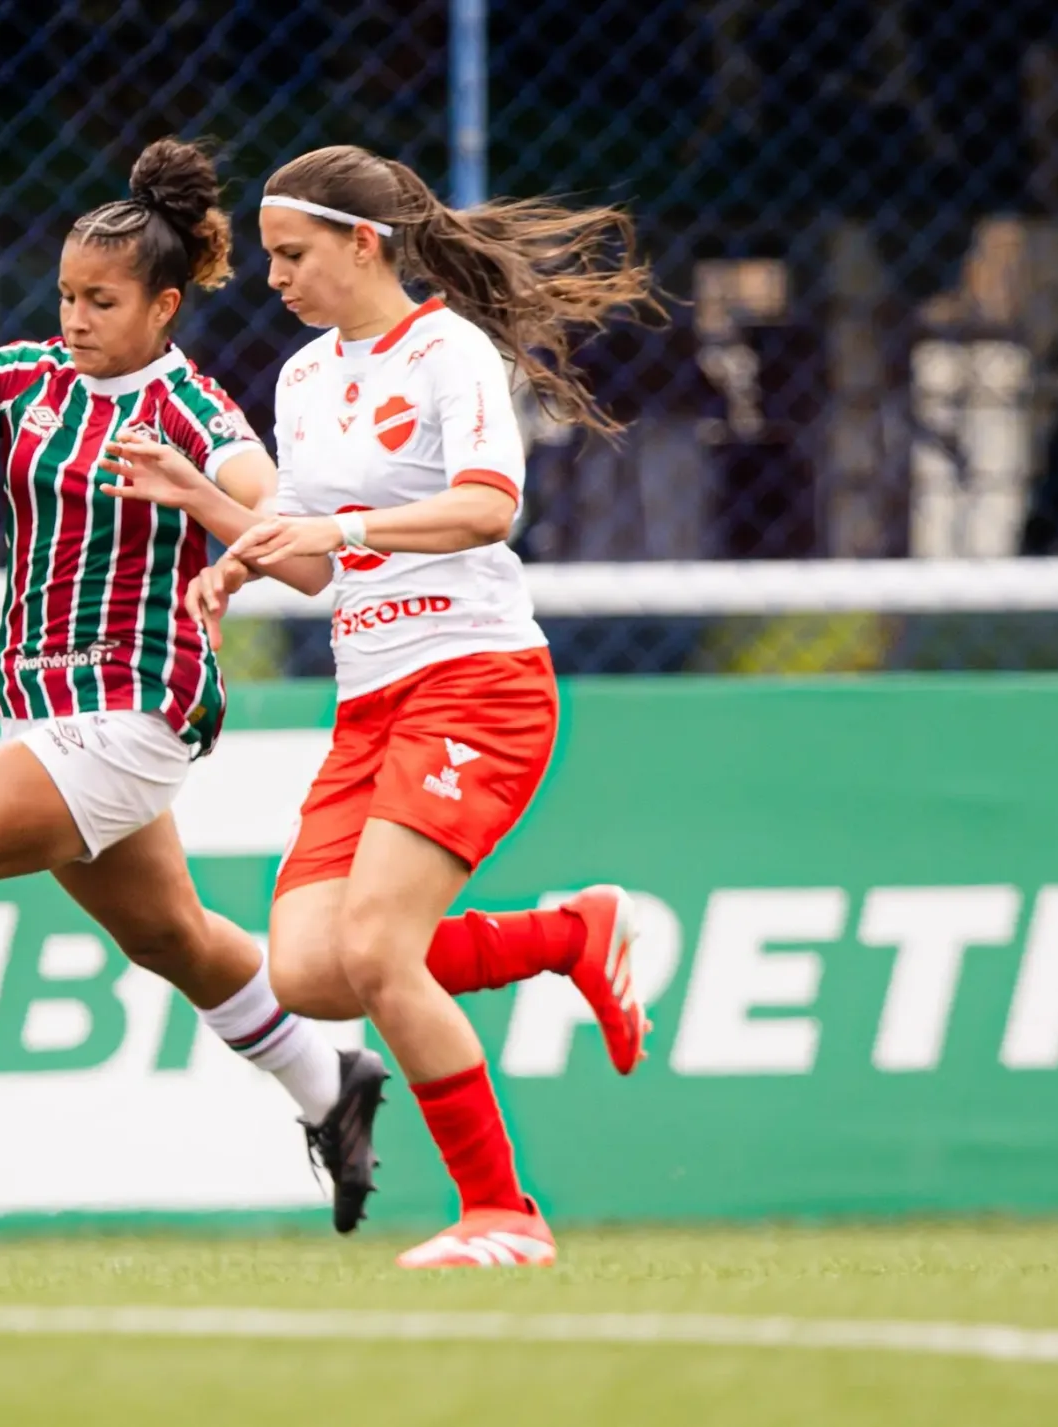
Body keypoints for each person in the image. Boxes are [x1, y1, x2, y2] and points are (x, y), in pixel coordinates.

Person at [0, 139, 391, 1228]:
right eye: (65, 293)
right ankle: (329, 1086)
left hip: (135, 712)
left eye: (100, 300)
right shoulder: (22, 378)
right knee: (173, 939)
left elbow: (304, 561)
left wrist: (196, 490)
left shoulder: (196, 413)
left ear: (163, 307)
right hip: (43, 713)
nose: (74, 316)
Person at [100, 144, 658, 1269]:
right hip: (372, 703)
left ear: (364, 243)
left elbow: (487, 509)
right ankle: (567, 933)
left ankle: (503, 1213)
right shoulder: (303, 379)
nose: (273, 277)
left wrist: (335, 531)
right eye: (268, 257)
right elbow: (313, 566)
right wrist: (216, 521)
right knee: (307, 969)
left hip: (478, 683)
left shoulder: (452, 351)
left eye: (292, 253)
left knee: (377, 946)